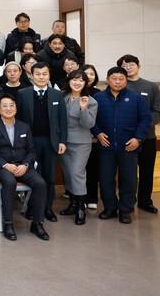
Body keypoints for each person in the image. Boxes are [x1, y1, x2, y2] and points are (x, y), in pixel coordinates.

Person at [0, 94, 49, 241]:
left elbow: (32, 151)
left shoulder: (24, 126)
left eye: (11, 105)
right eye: (5, 106)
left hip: (22, 166)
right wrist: (6, 165)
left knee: (40, 183)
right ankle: (8, 224)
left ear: (16, 108)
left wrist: (25, 165)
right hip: (1, 167)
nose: (8, 108)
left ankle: (37, 223)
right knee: (9, 181)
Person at [92, 67, 151, 224]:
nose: (117, 82)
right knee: (106, 179)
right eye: (114, 78)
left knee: (129, 180)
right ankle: (110, 208)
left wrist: (137, 138)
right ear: (108, 80)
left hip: (128, 147)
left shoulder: (136, 98)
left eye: (121, 79)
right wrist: (98, 133)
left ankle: (125, 210)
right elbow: (91, 119)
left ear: (126, 80)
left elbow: (145, 119)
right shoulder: (98, 98)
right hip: (106, 146)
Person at [16, 61, 68, 222]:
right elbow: (18, 120)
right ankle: (32, 208)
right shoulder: (22, 94)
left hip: (50, 142)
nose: (41, 77)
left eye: (44, 74)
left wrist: (62, 141)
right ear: (31, 76)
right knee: (33, 176)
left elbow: (62, 120)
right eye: (37, 74)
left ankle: (48, 208)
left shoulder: (57, 95)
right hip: (30, 143)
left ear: (49, 75)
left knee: (49, 177)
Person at [117, 54, 160, 214]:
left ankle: (145, 201)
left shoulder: (151, 87)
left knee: (147, 171)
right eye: (124, 65)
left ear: (138, 66)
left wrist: (141, 128)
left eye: (131, 64)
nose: (128, 67)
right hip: (126, 138)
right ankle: (128, 201)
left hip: (147, 137)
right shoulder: (119, 86)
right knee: (127, 173)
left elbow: (157, 112)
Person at [59, 70, 98, 225]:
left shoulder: (90, 101)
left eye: (81, 80)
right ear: (69, 81)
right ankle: (73, 204)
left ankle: (81, 207)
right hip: (63, 142)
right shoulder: (62, 97)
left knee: (77, 173)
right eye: (74, 79)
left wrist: (83, 108)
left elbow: (89, 124)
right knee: (68, 173)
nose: (77, 83)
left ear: (85, 83)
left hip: (81, 142)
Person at [82, 64, 102, 209]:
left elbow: (100, 117)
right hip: (78, 137)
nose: (89, 76)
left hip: (94, 138)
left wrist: (96, 133)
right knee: (78, 170)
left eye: (92, 74)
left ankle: (92, 198)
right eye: (86, 73)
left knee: (92, 168)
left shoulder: (99, 94)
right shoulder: (75, 92)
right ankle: (79, 198)